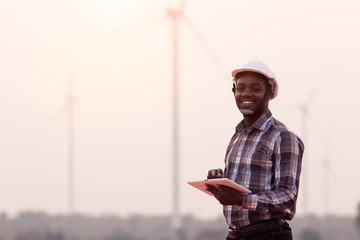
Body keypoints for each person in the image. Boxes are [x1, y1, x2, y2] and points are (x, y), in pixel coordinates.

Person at [206, 57, 304, 240]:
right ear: (234, 91)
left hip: (268, 235)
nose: (246, 94)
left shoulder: (283, 137)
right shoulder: (237, 137)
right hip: (235, 235)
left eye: (255, 89)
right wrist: (219, 183)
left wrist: (241, 199)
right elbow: (239, 189)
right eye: (240, 88)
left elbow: (288, 194)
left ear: (268, 93)